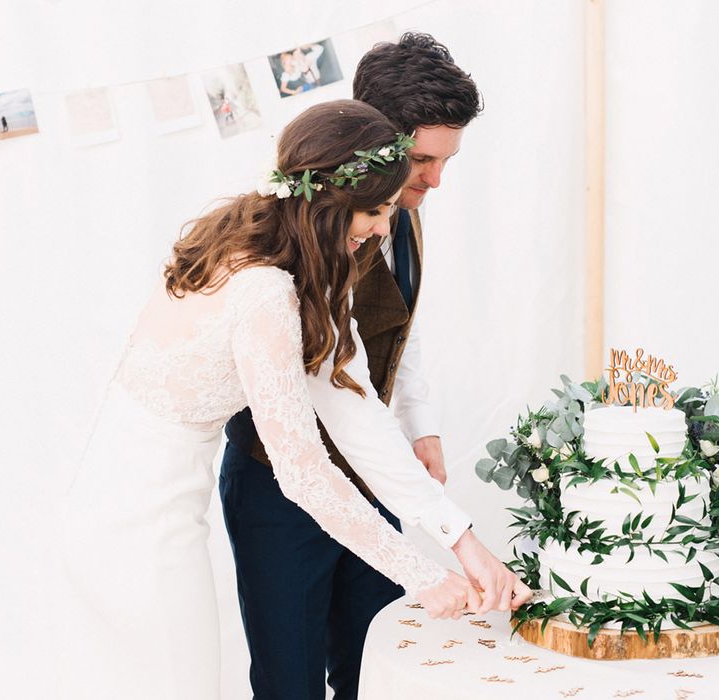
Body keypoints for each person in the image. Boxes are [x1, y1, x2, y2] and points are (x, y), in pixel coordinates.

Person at [59, 99, 527, 700]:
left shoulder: (269, 253)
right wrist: (420, 574)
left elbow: (354, 409)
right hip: (131, 529)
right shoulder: (263, 292)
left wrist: (462, 542)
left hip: (141, 509)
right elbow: (304, 474)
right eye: (377, 210)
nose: (385, 227)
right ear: (331, 206)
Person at [221, 34, 528, 700]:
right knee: (290, 682)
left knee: (375, 668)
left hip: (374, 477)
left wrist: (420, 425)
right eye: (421, 161)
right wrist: (456, 534)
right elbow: (337, 383)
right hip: (278, 482)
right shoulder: (286, 252)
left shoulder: (402, 219)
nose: (434, 181)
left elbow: (399, 327)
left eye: (446, 162)